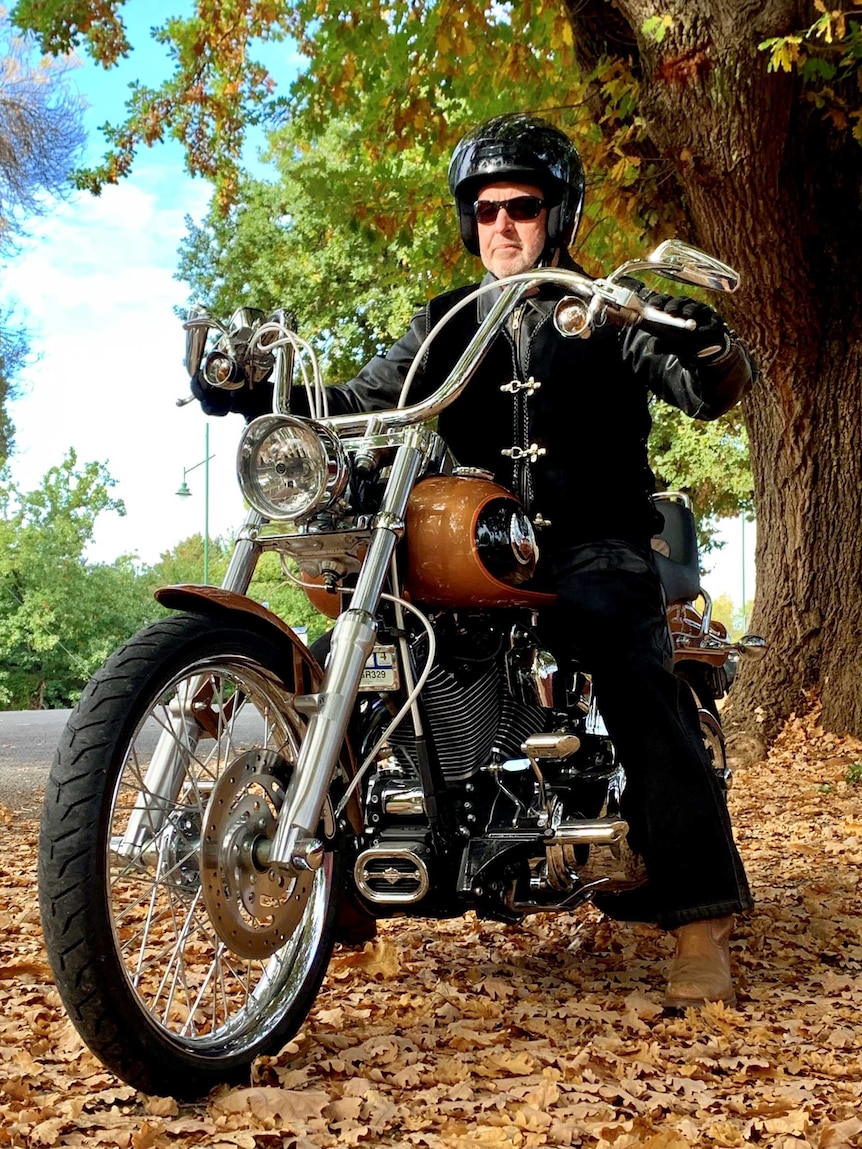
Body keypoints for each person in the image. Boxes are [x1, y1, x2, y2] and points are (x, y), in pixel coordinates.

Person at [193, 112, 755, 1008]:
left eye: (522, 207)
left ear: (556, 215)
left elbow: (704, 388)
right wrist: (254, 390)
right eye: (484, 209)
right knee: (373, 643)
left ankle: (698, 920)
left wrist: (707, 344)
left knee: (625, 648)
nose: (501, 225)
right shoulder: (442, 326)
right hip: (474, 545)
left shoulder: (606, 312)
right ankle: (343, 894)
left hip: (591, 542)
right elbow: (356, 400)